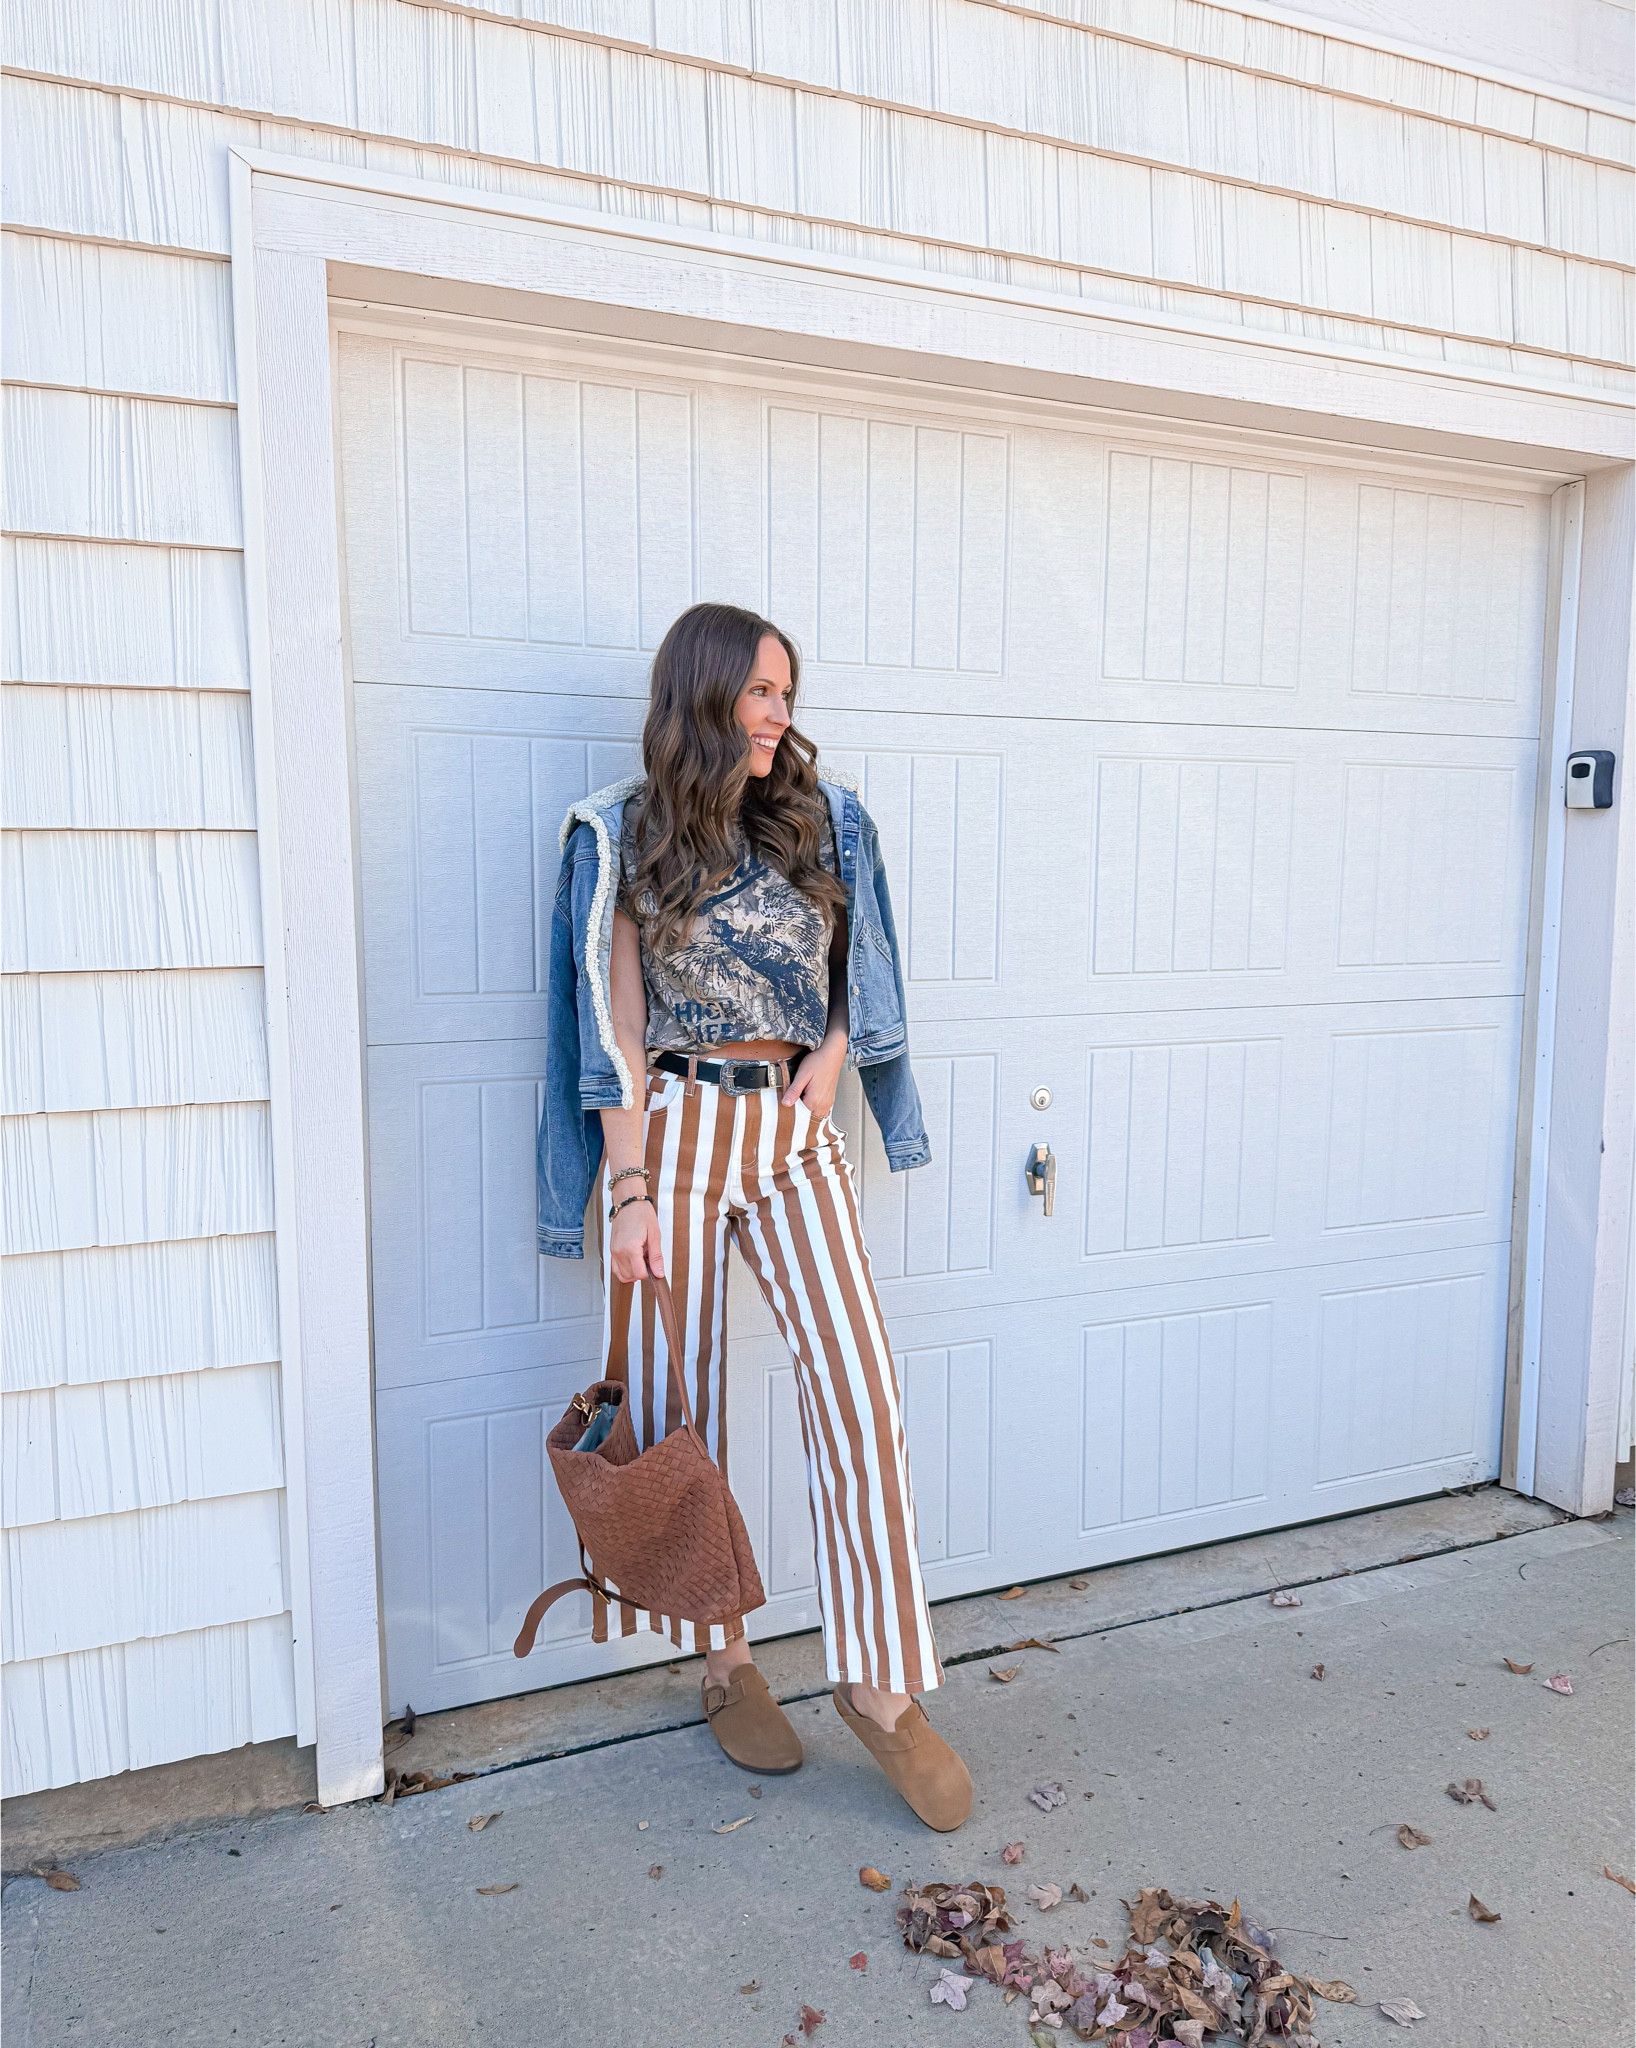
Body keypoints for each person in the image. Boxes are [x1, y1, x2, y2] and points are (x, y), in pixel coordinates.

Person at [537, 600, 971, 1831]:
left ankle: (879, 1684)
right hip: (673, 1126)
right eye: (761, 690)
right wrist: (627, 1186)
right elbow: (615, 1024)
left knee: (861, 1388)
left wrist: (832, 1053)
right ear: (705, 692)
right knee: (684, 1405)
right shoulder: (622, 832)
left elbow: (855, 968)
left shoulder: (823, 819)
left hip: (791, 1130)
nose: (781, 712)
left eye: (788, 691)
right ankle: (724, 1659)